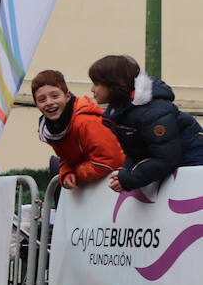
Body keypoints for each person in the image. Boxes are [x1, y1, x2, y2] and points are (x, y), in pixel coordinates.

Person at [88, 55, 203, 192]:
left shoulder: (152, 112)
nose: (92, 89)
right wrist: (126, 173)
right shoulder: (119, 112)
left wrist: (129, 178)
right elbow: (137, 152)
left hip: (192, 166)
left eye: (96, 83)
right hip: (177, 166)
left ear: (113, 84)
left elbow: (166, 158)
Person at [30, 69, 125, 189]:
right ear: (36, 104)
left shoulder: (85, 122)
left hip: (117, 188)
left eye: (55, 96)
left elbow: (110, 161)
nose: (49, 102)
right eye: (42, 99)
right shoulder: (52, 130)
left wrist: (76, 173)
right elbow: (67, 159)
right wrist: (66, 173)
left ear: (67, 96)